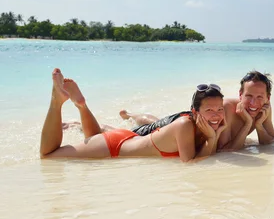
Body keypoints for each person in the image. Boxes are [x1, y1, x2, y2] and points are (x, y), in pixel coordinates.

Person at [40, 68, 226, 162]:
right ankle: (56, 102)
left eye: (219, 109)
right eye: (209, 110)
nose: (216, 115)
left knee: (93, 136)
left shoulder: (201, 127)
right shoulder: (185, 125)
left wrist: (213, 136)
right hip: (114, 147)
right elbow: (191, 165)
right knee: (48, 155)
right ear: (194, 111)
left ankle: (81, 105)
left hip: (126, 138)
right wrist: (213, 137)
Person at [101, 70, 274, 152]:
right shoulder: (226, 110)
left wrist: (259, 125)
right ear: (240, 94)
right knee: (137, 135)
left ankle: (131, 115)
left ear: (267, 97)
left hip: (184, 131)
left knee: (156, 122)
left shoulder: (263, 110)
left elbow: (270, 142)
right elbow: (225, 150)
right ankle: (104, 127)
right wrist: (247, 123)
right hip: (182, 125)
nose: (254, 102)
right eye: (249, 96)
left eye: (260, 97)